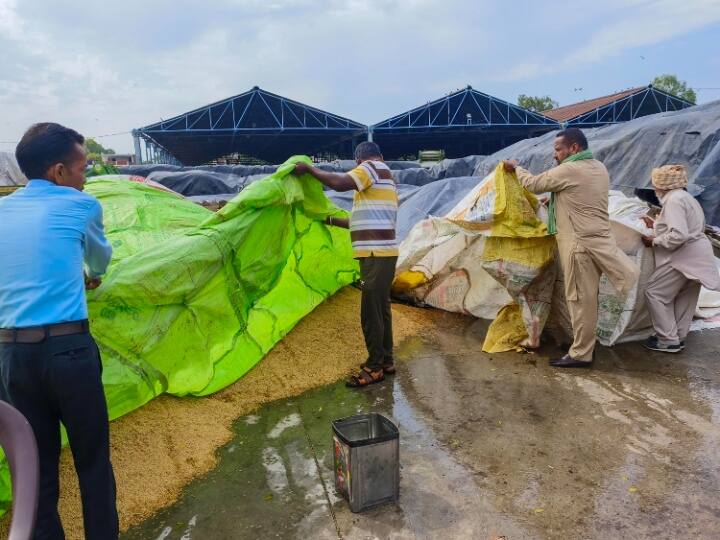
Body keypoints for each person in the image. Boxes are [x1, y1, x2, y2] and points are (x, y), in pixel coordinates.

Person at [0, 123, 118, 539]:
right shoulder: (80, 205)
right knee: (92, 464)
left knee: (35, 473)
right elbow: (100, 261)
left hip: (11, 359)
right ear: (59, 172)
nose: (86, 176)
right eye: (83, 167)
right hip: (69, 353)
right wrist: (89, 274)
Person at [503, 128, 639, 368]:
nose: (555, 155)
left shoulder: (570, 169)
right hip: (597, 241)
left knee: (579, 301)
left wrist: (516, 168)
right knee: (588, 299)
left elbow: (534, 184)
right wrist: (553, 201)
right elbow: (578, 197)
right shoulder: (597, 167)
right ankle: (582, 344)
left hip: (579, 246)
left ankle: (581, 353)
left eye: (558, 149)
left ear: (573, 148)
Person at [294, 142, 398, 387]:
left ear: (357, 161)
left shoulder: (371, 168)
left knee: (370, 313)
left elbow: (339, 182)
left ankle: (374, 368)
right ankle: (386, 360)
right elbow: (359, 220)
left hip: (376, 254)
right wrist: (329, 220)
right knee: (381, 309)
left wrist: (309, 170)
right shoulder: (385, 179)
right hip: (383, 253)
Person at [641, 165, 720, 353]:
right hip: (699, 256)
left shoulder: (673, 200)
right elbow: (684, 226)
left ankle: (667, 339)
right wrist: (657, 224)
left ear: (661, 185)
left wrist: (654, 240)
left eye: (655, 185)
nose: (654, 189)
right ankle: (678, 336)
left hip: (684, 256)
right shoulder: (685, 197)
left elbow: (679, 235)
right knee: (686, 298)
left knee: (655, 293)